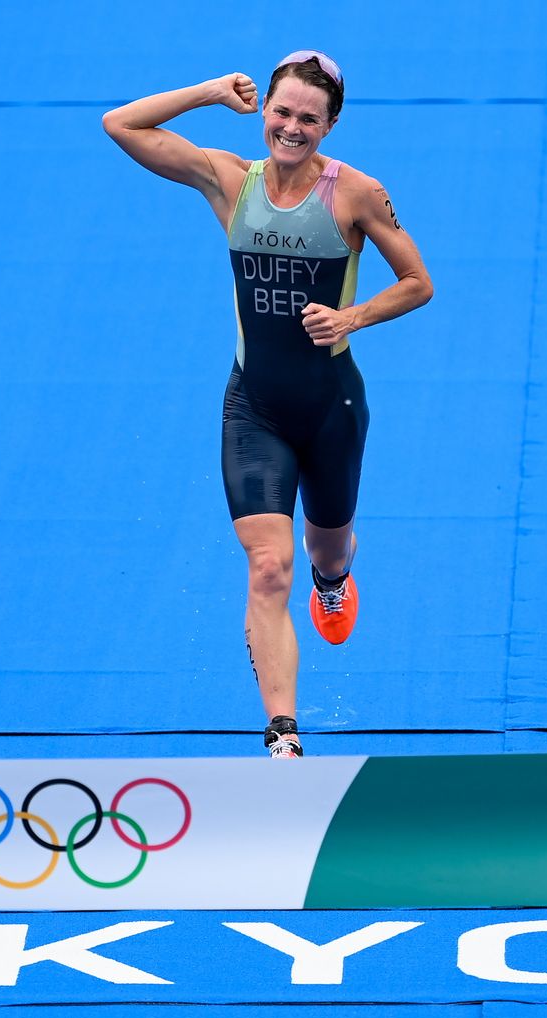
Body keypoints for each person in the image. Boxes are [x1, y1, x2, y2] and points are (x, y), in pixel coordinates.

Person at [102, 52, 433, 758]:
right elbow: (120, 123)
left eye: (308, 118)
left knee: (325, 547)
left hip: (331, 405)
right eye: (280, 112)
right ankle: (283, 732)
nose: (290, 127)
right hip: (254, 406)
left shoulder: (356, 195)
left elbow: (417, 282)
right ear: (263, 112)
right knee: (267, 565)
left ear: (330, 123)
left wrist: (353, 318)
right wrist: (207, 91)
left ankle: (335, 579)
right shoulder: (228, 180)